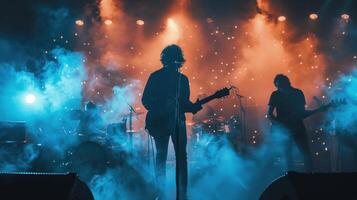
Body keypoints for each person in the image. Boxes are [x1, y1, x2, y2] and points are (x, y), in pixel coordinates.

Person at [142, 44, 202, 200]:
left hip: (177, 121)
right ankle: (163, 193)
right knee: (166, 156)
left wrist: (193, 107)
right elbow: (146, 101)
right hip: (160, 122)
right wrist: (163, 104)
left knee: (178, 156)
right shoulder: (156, 77)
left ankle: (181, 194)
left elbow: (183, 104)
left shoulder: (182, 79)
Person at [267, 74, 325, 172]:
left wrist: (318, 110)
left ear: (288, 83)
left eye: (282, 85)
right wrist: (279, 125)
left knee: (305, 153)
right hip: (284, 130)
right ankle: (292, 178)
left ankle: (311, 177)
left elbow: (302, 113)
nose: (280, 88)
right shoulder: (275, 94)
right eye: (278, 86)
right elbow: (269, 114)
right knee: (288, 154)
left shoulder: (298, 93)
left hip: (297, 127)